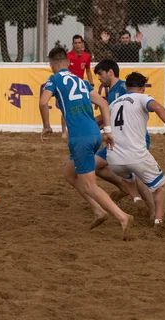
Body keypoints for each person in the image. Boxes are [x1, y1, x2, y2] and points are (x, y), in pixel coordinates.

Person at [39, 47, 134, 240]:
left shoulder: (54, 79)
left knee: (90, 185)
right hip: (94, 133)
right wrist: (107, 131)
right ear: (68, 62)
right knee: (69, 173)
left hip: (80, 137)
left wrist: (46, 126)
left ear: (51, 65)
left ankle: (122, 217)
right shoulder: (81, 81)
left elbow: (43, 103)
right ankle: (98, 211)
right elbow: (103, 104)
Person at [107, 72, 165, 226]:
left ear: (126, 87)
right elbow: (157, 107)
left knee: (128, 176)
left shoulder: (114, 103)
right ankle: (159, 222)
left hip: (113, 159)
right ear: (143, 88)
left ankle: (136, 198)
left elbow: (100, 120)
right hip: (135, 155)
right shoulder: (143, 97)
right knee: (161, 187)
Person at [93, 59, 155, 215]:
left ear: (110, 72)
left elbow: (113, 117)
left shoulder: (122, 89)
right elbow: (110, 117)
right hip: (117, 140)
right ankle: (125, 187)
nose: (99, 78)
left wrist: (91, 124)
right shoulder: (114, 90)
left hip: (132, 139)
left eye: (100, 74)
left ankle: (153, 212)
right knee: (93, 166)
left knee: (138, 177)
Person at [61, 34, 95, 138]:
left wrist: (91, 83)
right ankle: (64, 131)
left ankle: (83, 129)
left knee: (84, 106)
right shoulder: (67, 56)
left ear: (83, 43)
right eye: (75, 43)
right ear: (72, 44)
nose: (77, 45)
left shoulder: (87, 56)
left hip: (80, 85)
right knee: (66, 107)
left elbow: (88, 70)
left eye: (79, 43)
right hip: (69, 85)